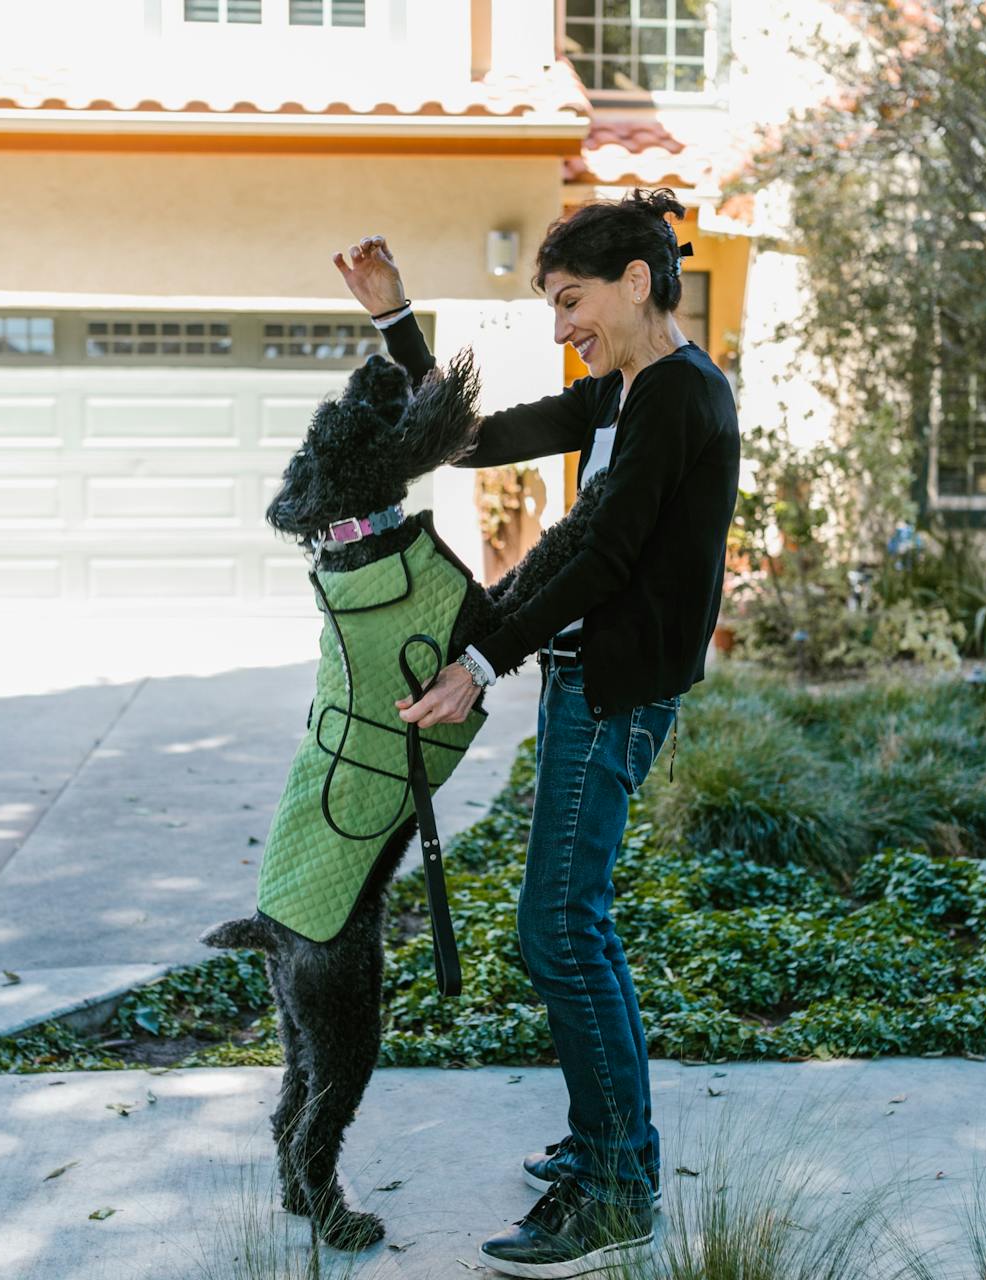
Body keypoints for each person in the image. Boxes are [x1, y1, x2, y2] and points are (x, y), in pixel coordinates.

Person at [331, 187, 741, 1278]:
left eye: (571, 301)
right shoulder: (620, 392)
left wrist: (480, 659)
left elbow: (604, 554)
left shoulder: (680, 399)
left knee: (562, 928)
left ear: (636, 282)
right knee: (570, 923)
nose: (561, 326)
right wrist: (394, 323)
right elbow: (469, 440)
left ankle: (617, 1183)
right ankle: (611, 1144)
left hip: (614, 690)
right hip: (585, 679)